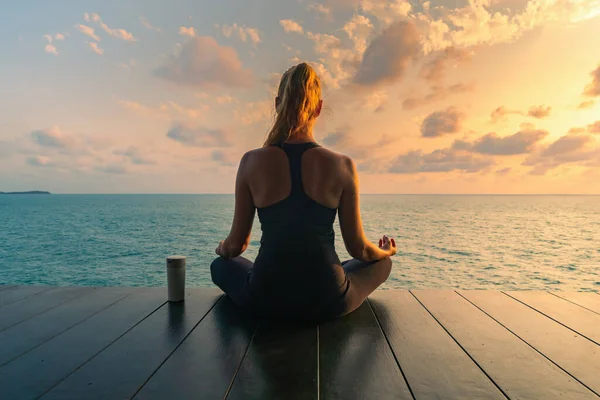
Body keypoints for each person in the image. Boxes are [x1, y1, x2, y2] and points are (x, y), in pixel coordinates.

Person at [211, 62, 396, 323]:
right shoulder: (342, 165)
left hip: (264, 298)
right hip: (328, 300)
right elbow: (359, 250)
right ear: (319, 108)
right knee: (382, 264)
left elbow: (235, 247)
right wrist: (385, 252)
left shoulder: (251, 162)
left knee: (220, 266)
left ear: (277, 104)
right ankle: (332, 271)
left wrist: (222, 248)